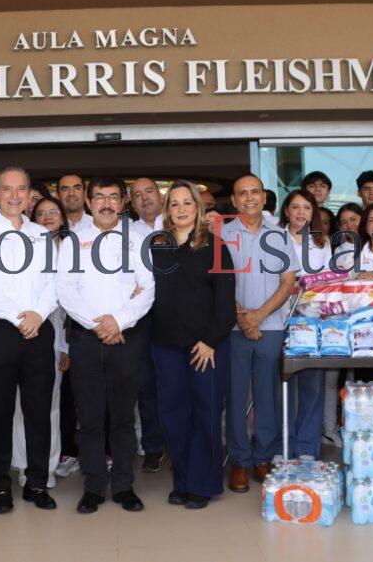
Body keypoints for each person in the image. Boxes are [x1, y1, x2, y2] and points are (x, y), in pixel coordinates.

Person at [57, 176, 154, 514]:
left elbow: (148, 287)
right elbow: (66, 290)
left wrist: (118, 321)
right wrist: (99, 324)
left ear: (124, 202)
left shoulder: (138, 238)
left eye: (113, 197)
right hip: (87, 338)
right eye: (99, 197)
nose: (107, 203)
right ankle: (94, 486)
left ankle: (124, 485)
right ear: (88, 201)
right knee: (90, 417)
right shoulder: (74, 242)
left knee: (124, 416)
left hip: (127, 337)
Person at [0, 167, 58, 513]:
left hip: (38, 329)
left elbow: (53, 282)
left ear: (29, 193)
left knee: (39, 411)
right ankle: (1, 486)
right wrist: (22, 316)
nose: (15, 196)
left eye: (21, 189)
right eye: (7, 189)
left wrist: (37, 314)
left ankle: (37, 483)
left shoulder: (41, 235)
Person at [150, 181, 235, 509]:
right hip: (165, 345)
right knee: (174, 415)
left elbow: (226, 302)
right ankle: (183, 480)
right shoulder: (158, 247)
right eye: (175, 204)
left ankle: (204, 483)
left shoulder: (215, 247)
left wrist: (210, 341)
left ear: (198, 208)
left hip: (207, 348)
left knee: (206, 413)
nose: (182, 209)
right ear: (167, 210)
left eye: (188, 203)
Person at [223, 179, 297, 494]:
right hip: (233, 328)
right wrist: (243, 316)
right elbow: (217, 284)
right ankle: (239, 460)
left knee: (266, 395)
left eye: (255, 192)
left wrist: (258, 316)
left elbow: (288, 282)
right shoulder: (221, 235)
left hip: (270, 327)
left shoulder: (279, 236)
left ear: (264, 197)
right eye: (243, 193)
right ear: (234, 200)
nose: (250, 198)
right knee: (236, 395)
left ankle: (263, 457)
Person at [280, 189, 340, 447]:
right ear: (286, 211)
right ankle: (285, 443)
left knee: (313, 385)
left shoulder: (321, 242)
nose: (301, 212)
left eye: (306, 207)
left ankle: (306, 445)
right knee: (284, 384)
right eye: (296, 207)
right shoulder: (273, 239)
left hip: (313, 320)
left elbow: (331, 280)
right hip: (280, 318)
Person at [30, 195, 79, 480]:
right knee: (33, 402)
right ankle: (31, 464)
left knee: (56, 401)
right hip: (33, 328)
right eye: (41, 213)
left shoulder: (75, 248)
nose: (48, 217)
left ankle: (51, 463)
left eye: (53, 212)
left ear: (62, 217)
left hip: (67, 332)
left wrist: (65, 347)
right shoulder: (24, 249)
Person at [129, 177, 166, 473]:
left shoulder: (181, 223)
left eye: (149, 191)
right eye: (137, 195)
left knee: (179, 383)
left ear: (161, 195)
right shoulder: (128, 233)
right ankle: (153, 447)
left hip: (179, 317)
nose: (144, 198)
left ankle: (182, 443)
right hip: (142, 318)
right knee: (146, 385)